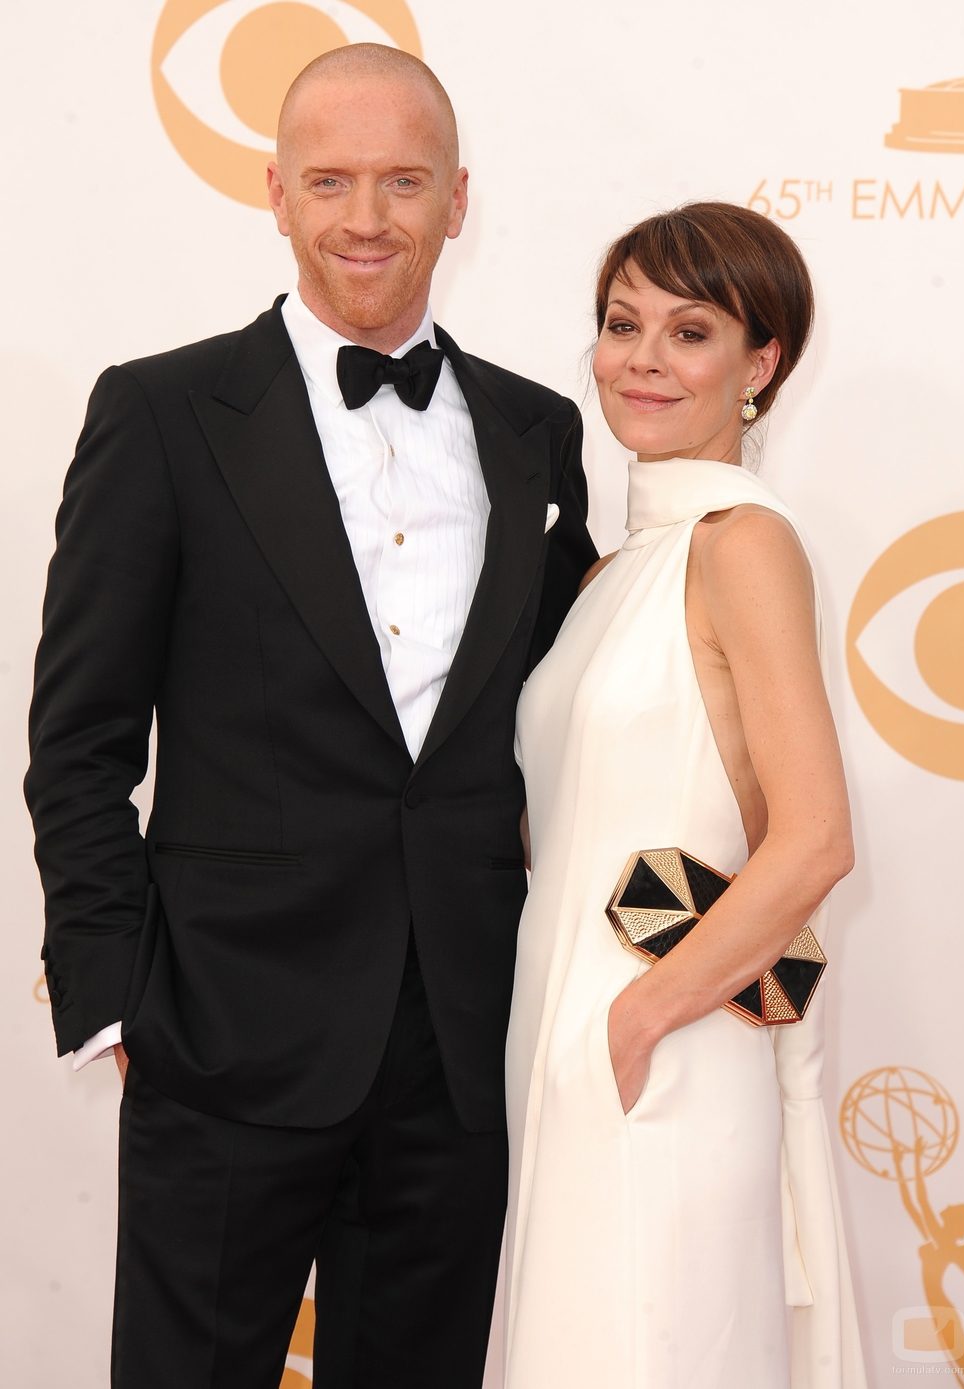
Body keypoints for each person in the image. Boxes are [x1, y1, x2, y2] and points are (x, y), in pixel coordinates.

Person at [24, 43, 595, 1389]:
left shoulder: (538, 432)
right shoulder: (162, 413)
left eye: (405, 181)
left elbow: (575, 716)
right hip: (223, 1035)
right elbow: (81, 738)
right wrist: (117, 1002)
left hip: (462, 1046)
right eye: (330, 181)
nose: (366, 218)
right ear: (274, 193)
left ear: (460, 200)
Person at [503, 202, 867, 1386]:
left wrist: (639, 1017)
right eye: (621, 324)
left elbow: (812, 840)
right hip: (569, 1044)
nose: (643, 358)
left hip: (663, 1054)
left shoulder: (740, 542)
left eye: (690, 330)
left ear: (760, 366)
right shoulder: (618, 567)